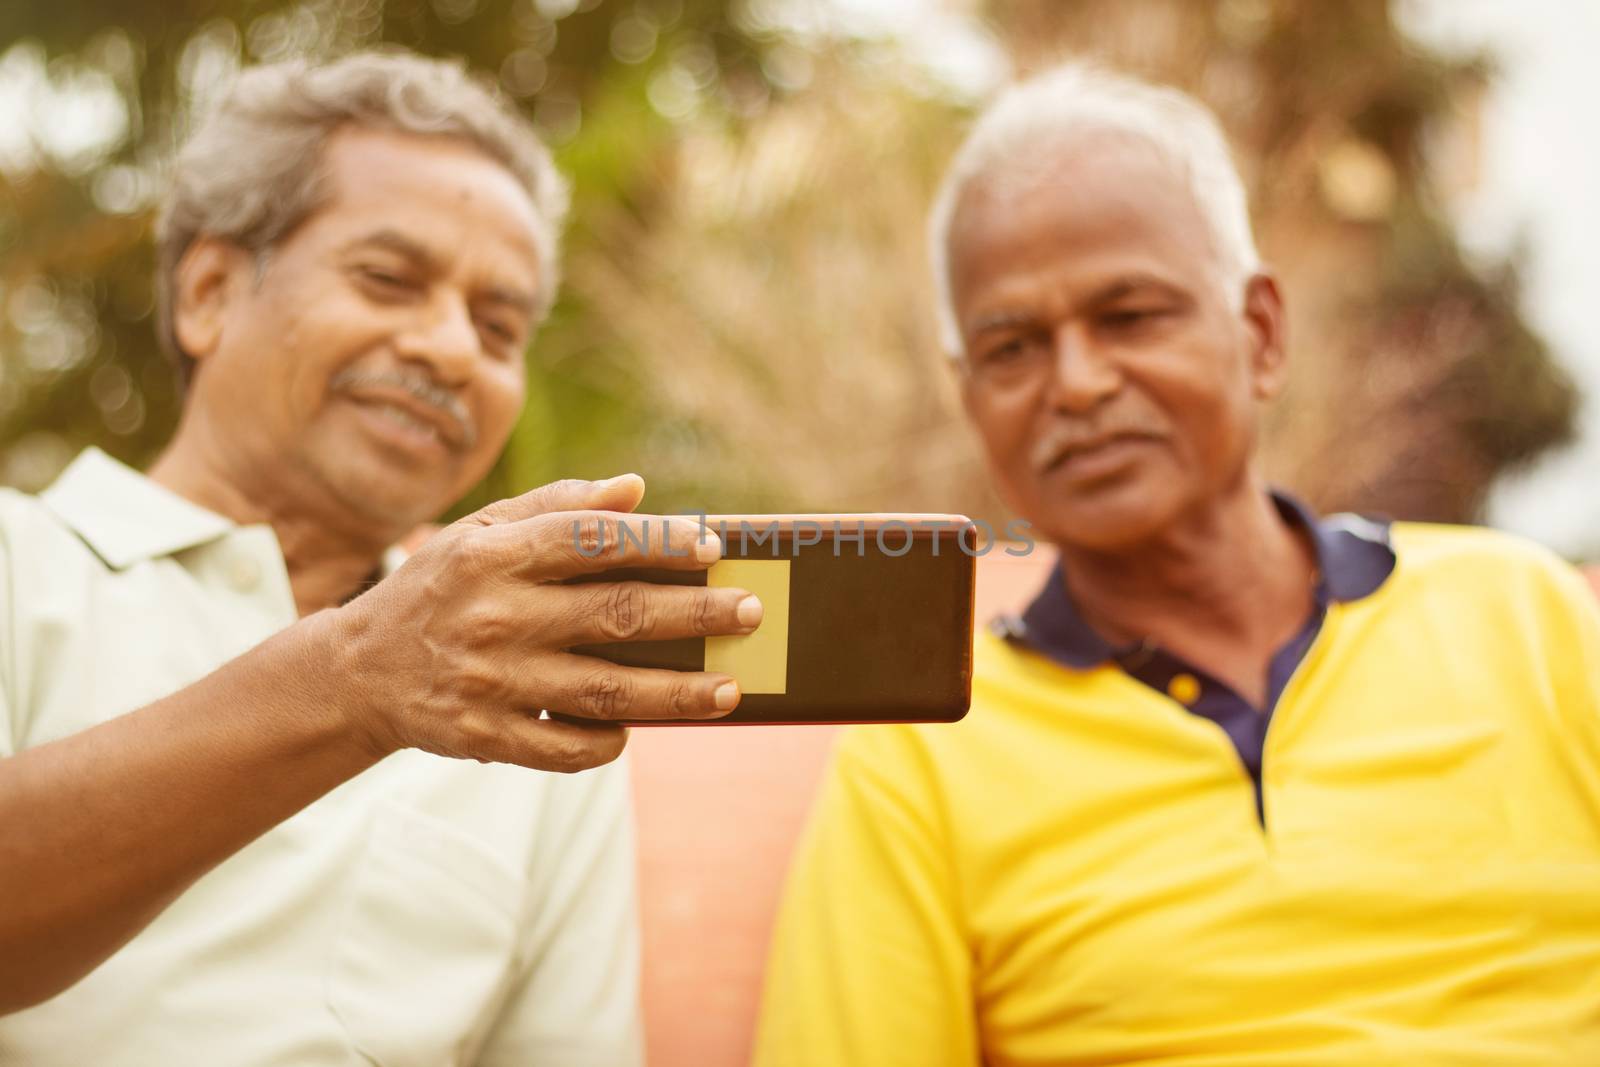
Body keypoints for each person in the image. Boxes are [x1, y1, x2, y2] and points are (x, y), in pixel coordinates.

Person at [754, 62, 1600, 1066]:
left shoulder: (1525, 616)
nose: (1075, 382)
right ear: (968, 396)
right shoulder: (924, 751)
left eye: (1130, 316)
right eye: (1013, 347)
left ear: (1260, 334)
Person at [0, 51, 765, 1065]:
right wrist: (354, 678)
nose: (451, 349)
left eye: (498, 328)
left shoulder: (534, 694)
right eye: (387, 279)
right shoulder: (23, 562)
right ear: (210, 293)